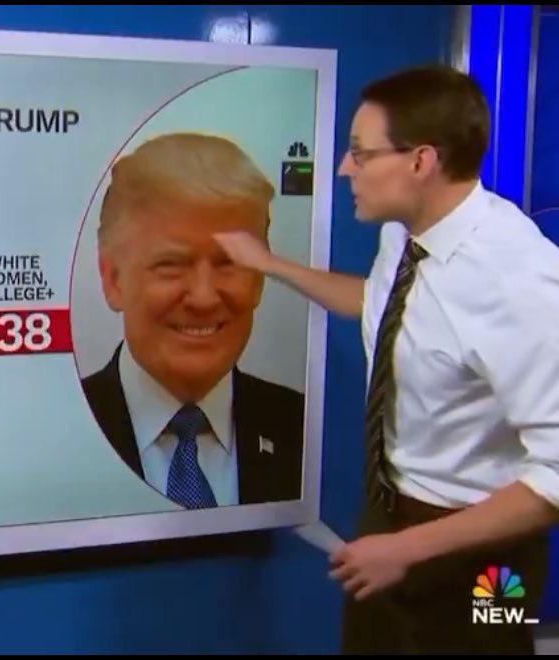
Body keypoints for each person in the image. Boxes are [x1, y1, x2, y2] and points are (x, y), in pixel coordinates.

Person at [214, 65, 559, 653]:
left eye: (360, 153)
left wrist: (407, 549)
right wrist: (268, 265)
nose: (345, 169)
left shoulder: (520, 282)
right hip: (389, 519)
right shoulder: (406, 233)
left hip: (485, 555)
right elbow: (380, 305)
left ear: (421, 162)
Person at [82, 133, 304, 510]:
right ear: (113, 279)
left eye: (230, 263)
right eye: (171, 264)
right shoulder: (51, 434)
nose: (204, 298)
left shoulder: (308, 431)